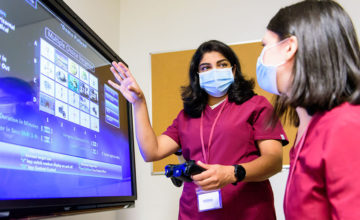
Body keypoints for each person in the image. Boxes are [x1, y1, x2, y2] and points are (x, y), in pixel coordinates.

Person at [109, 40, 288, 220]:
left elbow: (273, 161)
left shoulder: (256, 106)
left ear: (233, 70)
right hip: (194, 213)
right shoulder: (186, 117)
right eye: (205, 67)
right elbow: (151, 151)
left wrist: (232, 173)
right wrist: (139, 103)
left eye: (222, 65)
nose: (214, 71)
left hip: (248, 213)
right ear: (198, 75)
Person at [256, 0, 360, 219]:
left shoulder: (345, 127)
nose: (261, 58)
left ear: (289, 47)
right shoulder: (309, 126)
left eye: (265, 46)